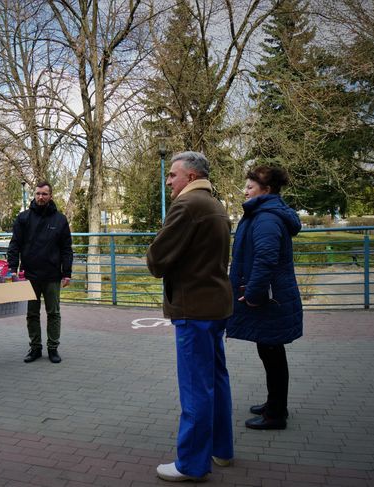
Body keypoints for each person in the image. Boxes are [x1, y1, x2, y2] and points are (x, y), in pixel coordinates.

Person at [146, 151, 234, 482]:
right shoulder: (215, 204)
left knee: (196, 387)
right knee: (216, 381)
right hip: (215, 306)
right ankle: (221, 449)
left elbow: (157, 259)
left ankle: (192, 464)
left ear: (192, 177)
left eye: (172, 174)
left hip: (193, 308)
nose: (168, 180)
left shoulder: (187, 205)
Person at [227, 166, 303, 430]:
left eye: (250, 186)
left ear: (266, 190)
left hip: (269, 300)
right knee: (270, 353)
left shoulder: (266, 219)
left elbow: (265, 260)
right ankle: (275, 404)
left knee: (272, 354)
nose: (245, 190)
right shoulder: (263, 213)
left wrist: (254, 295)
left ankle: (276, 414)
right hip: (272, 298)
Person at [7, 181, 73, 364]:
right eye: (38, 194)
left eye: (44, 194)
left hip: (52, 275)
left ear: (50, 196)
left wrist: (67, 272)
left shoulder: (60, 220)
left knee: (54, 313)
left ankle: (53, 348)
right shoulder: (23, 218)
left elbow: (67, 248)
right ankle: (35, 347)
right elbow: (14, 245)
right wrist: (12, 268)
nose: (41, 197)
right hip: (29, 276)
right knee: (32, 314)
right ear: (33, 195)